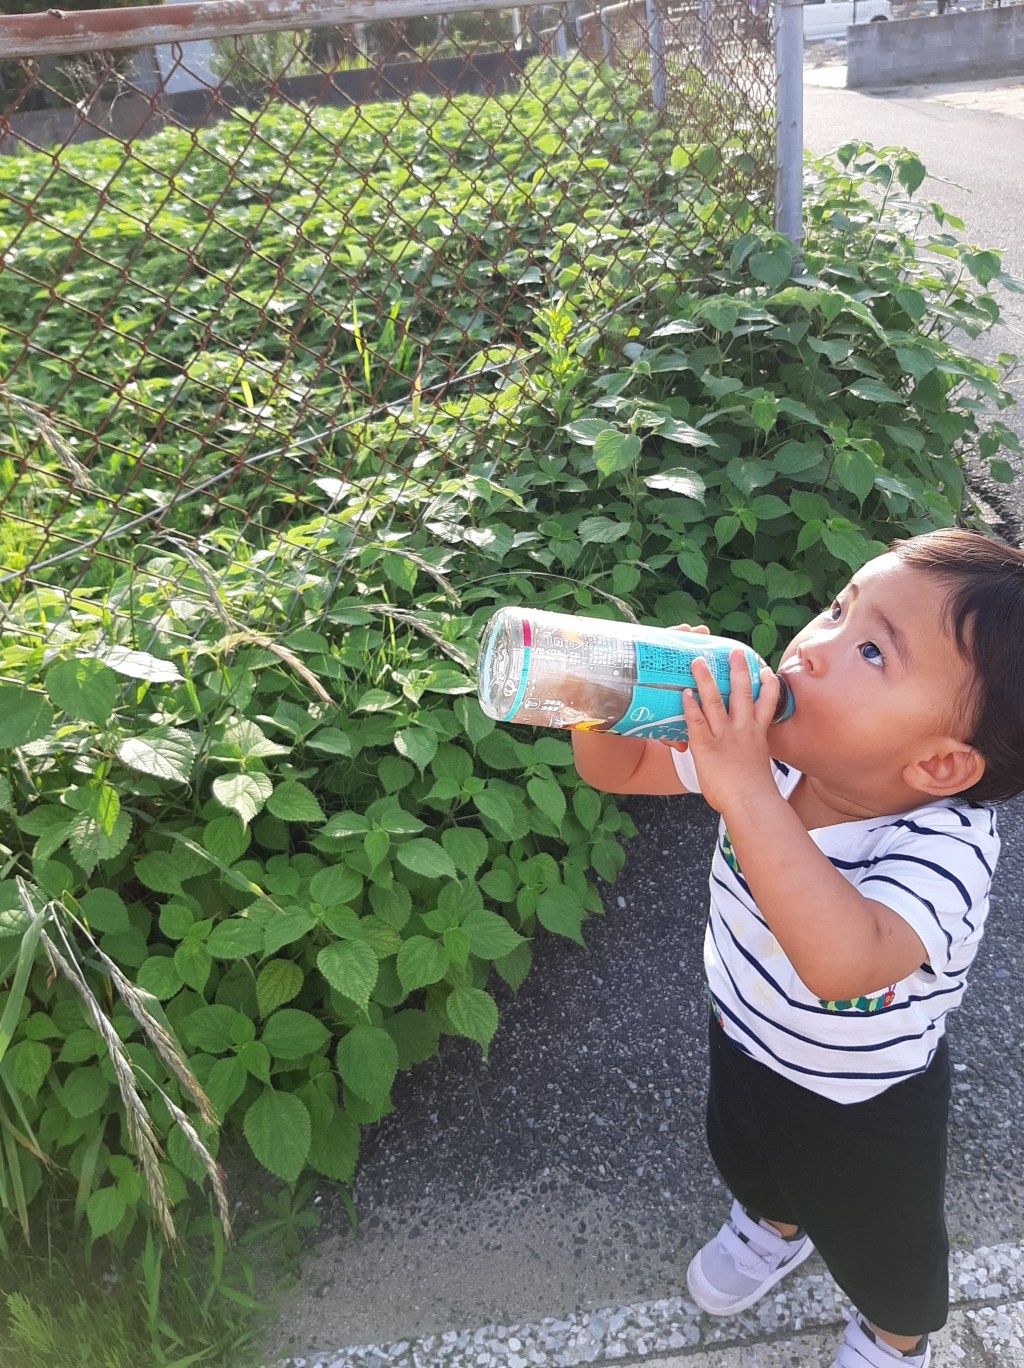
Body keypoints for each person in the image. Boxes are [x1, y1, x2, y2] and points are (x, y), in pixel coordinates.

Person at [571, 528, 1024, 1368]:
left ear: (939, 764)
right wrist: (616, 694)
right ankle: (774, 1226)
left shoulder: (944, 848)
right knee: (746, 1148)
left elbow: (844, 961)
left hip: (866, 1095)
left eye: (872, 652)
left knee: (885, 1240)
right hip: (745, 1029)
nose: (813, 647)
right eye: (836, 606)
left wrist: (741, 786)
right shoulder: (774, 758)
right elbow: (621, 768)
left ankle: (897, 1335)